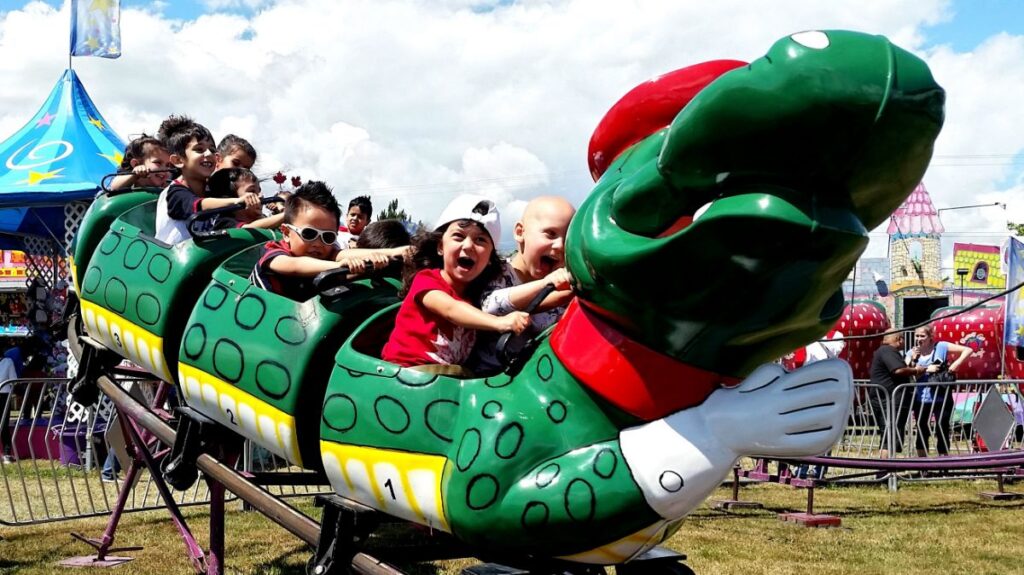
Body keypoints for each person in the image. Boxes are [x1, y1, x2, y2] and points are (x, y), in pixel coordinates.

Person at [381, 195, 530, 372]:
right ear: (440, 246)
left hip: (449, 379)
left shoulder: (476, 298)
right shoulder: (426, 280)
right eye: (458, 236)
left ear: (490, 258)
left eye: (480, 240)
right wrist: (499, 322)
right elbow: (451, 309)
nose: (468, 246)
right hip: (406, 374)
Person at [467, 196, 576, 375]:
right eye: (550, 234)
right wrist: (544, 285)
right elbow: (488, 305)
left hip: (534, 378)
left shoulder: (560, 289)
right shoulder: (497, 271)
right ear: (520, 232)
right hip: (486, 380)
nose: (560, 245)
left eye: (567, 239)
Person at [249, 181, 396, 301]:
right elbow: (295, 266)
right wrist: (338, 265)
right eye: (309, 233)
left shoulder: (325, 255)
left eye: (328, 237)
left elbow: (343, 261)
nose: (318, 243)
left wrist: (371, 264)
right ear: (286, 233)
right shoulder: (274, 251)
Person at [154, 116, 260, 245]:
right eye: (199, 149)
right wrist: (236, 201)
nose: (209, 154)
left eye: (212, 149)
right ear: (178, 160)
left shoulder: (212, 193)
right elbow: (198, 205)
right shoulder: (175, 193)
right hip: (171, 260)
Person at [906, 325, 973, 457]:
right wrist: (915, 359)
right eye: (917, 336)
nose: (919, 339)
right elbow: (908, 370)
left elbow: (968, 350)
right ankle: (923, 463)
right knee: (921, 428)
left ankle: (943, 461)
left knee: (942, 428)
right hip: (921, 397)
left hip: (941, 396)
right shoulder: (911, 352)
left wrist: (956, 364)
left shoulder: (941, 346)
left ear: (930, 337)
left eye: (922, 336)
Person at [869, 333, 929, 458]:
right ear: (898, 339)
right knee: (890, 435)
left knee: (890, 434)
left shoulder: (884, 351)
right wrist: (918, 370)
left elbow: (900, 369)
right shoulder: (888, 351)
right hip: (890, 400)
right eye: (902, 339)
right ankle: (885, 471)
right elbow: (898, 370)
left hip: (887, 398)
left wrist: (913, 360)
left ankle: (887, 471)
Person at [206, 168, 284, 230]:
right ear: (230, 199)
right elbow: (246, 230)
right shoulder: (225, 222)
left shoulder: (263, 218)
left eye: (259, 191)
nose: (260, 196)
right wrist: (286, 215)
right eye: (252, 191)